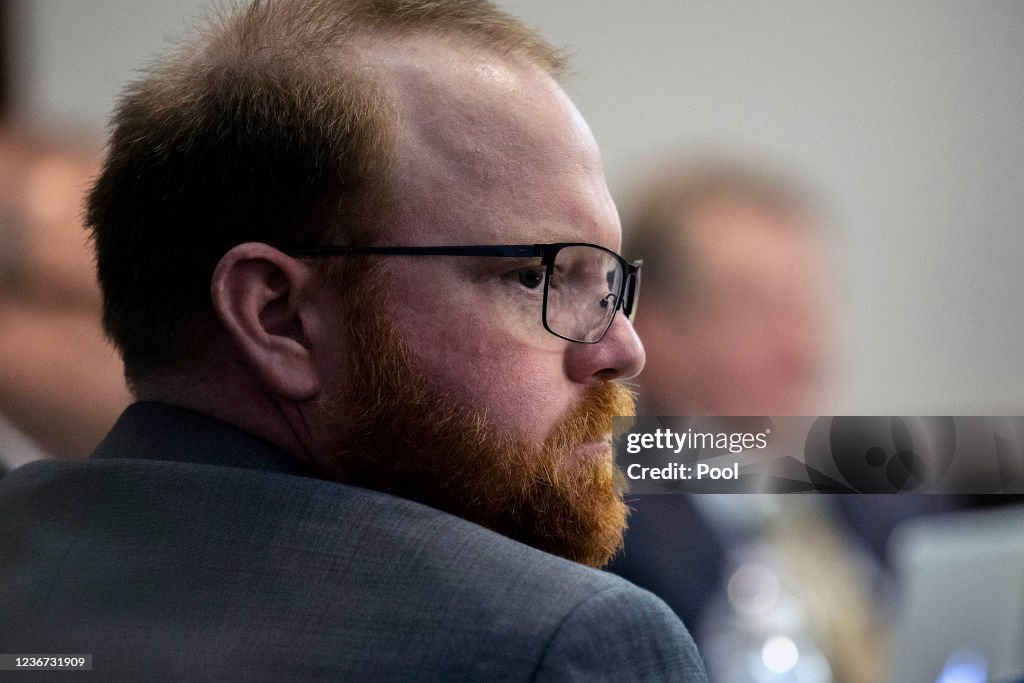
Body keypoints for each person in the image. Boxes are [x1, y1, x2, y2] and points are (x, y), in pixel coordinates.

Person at [0, 1, 707, 680]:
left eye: (606, 283)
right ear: (278, 317)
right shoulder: (560, 641)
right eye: (532, 277)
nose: (622, 348)